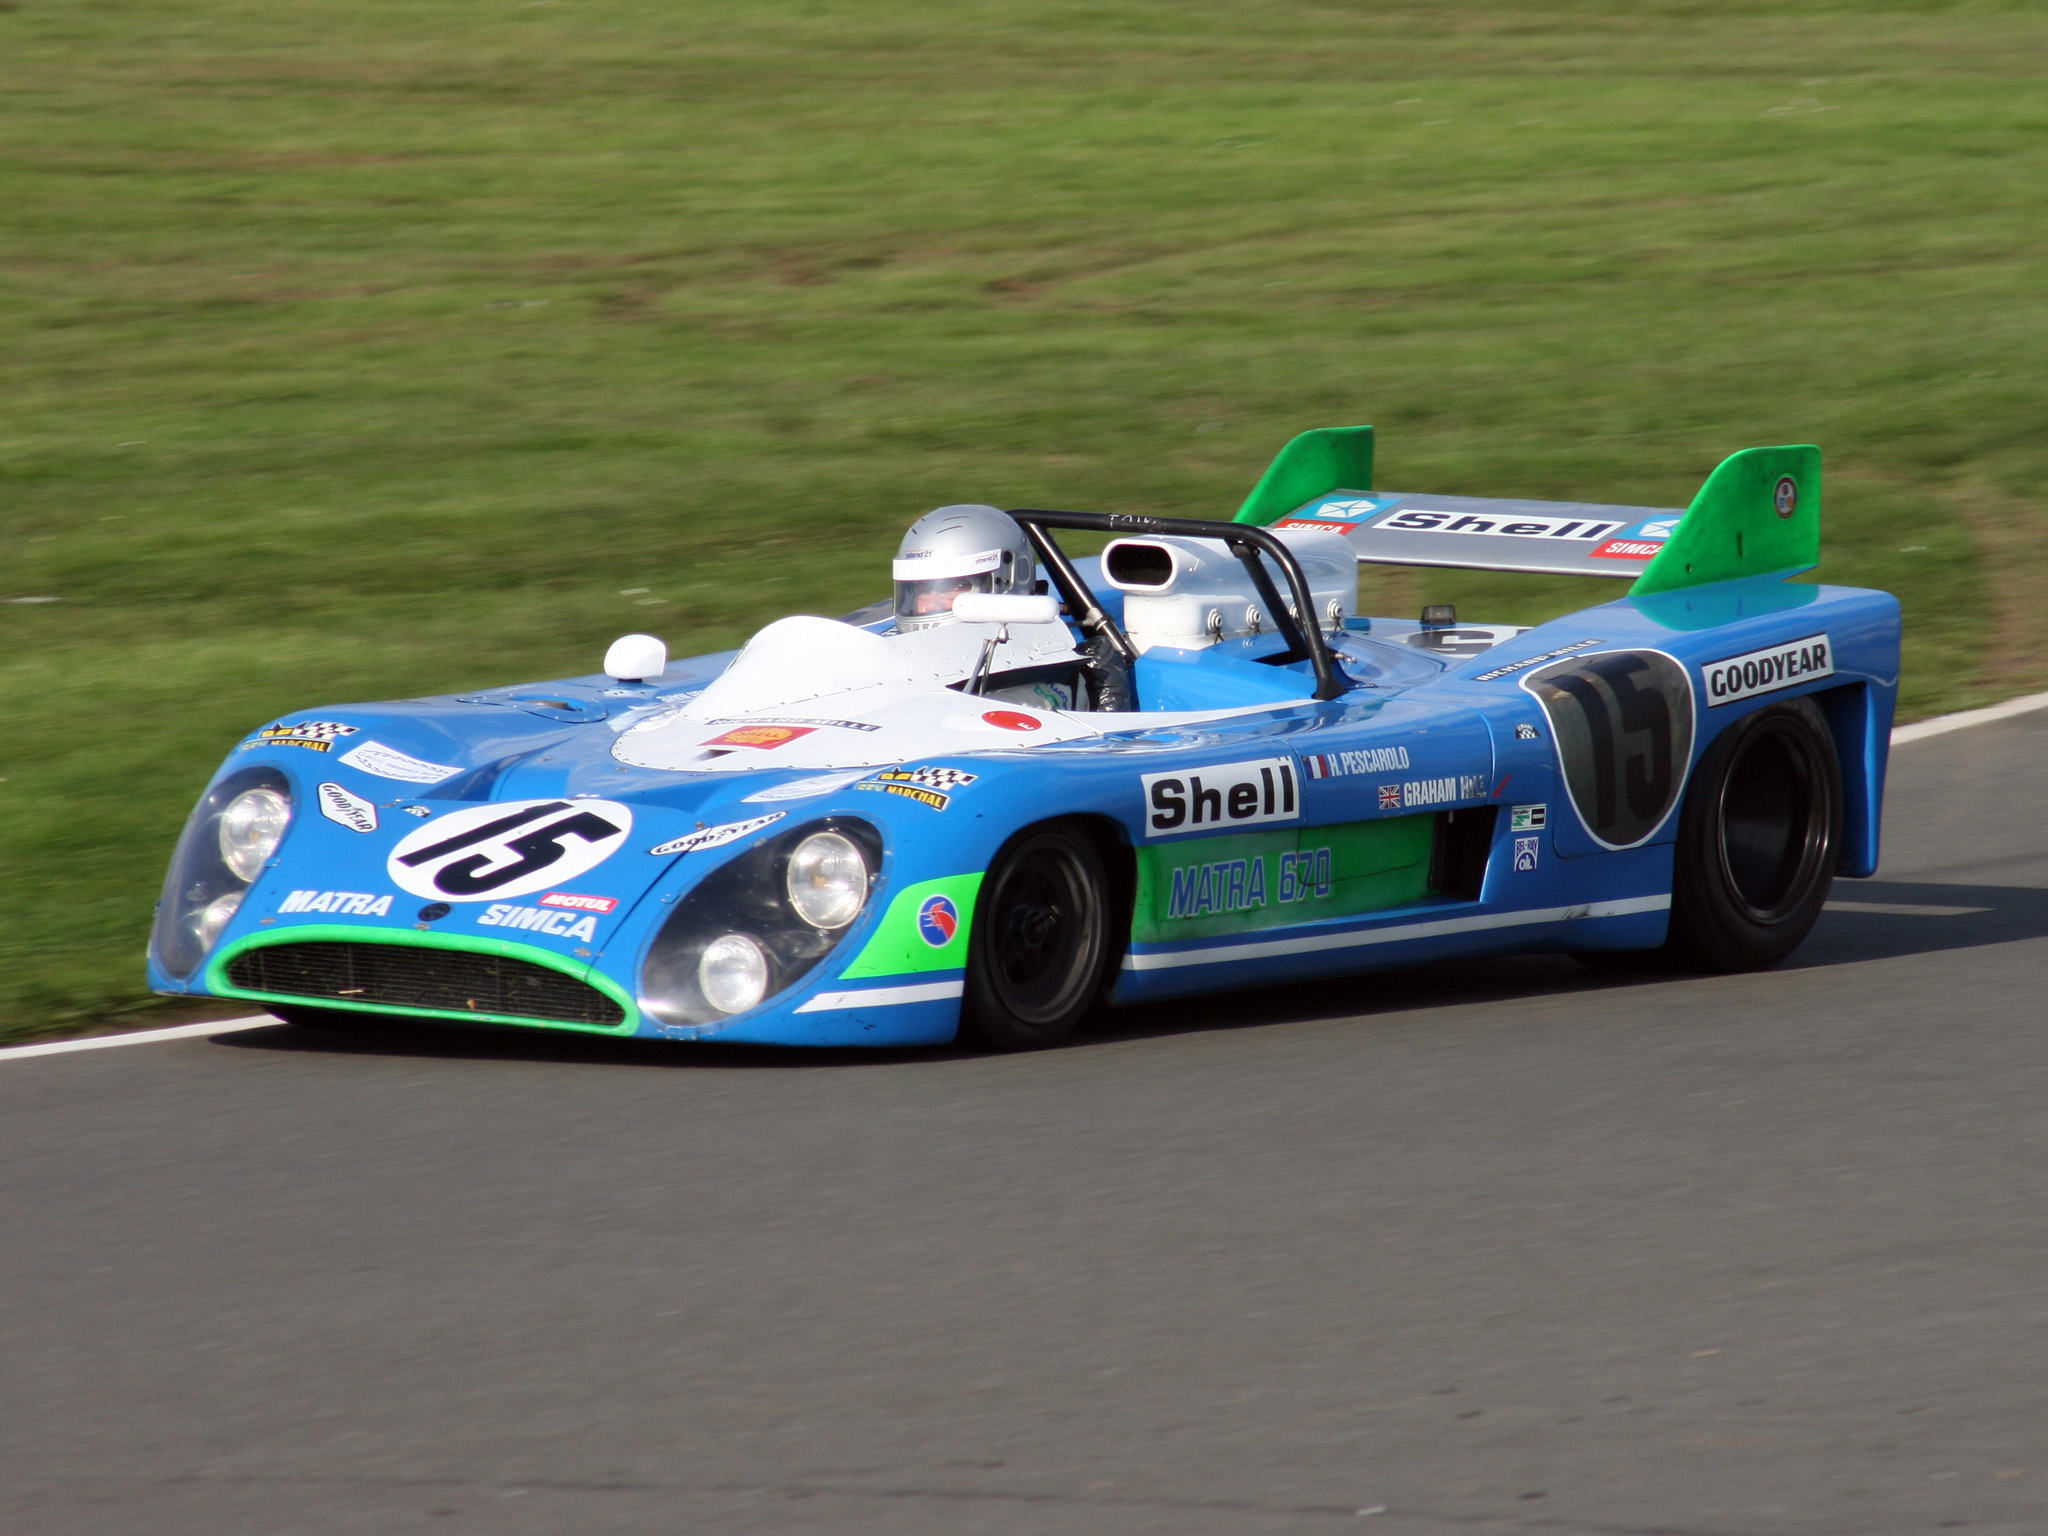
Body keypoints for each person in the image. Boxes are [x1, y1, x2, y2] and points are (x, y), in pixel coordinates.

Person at [891, 504, 1134, 710]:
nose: (931, 603)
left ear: (1006, 580)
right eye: (922, 590)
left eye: (954, 588)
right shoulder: (887, 650)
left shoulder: (1042, 679)